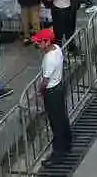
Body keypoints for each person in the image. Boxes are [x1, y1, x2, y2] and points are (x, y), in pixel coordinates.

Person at [34, 28, 72, 168]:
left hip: (52, 92)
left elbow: (45, 81)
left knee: (56, 122)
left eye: (39, 42)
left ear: (47, 42)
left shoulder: (50, 59)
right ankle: (67, 144)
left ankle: (58, 154)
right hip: (59, 87)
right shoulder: (56, 48)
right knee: (62, 118)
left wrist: (39, 92)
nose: (37, 45)